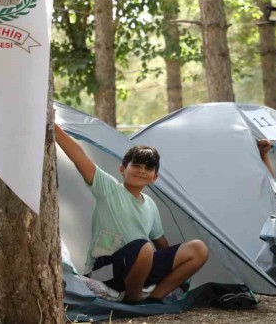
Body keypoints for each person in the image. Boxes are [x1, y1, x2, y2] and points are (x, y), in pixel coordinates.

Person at [54, 124, 208, 304]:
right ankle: (133, 299)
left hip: (140, 269)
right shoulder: (109, 189)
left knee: (198, 248)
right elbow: (79, 156)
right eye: (136, 165)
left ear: (155, 177)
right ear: (122, 170)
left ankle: (154, 299)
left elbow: (162, 244)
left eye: (148, 168)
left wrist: (172, 270)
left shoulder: (150, 205)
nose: (142, 170)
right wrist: (54, 127)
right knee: (144, 248)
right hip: (106, 271)